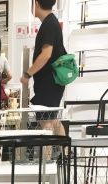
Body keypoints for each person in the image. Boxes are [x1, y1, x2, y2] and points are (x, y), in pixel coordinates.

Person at [21, 0, 67, 135]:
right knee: (53, 121)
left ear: (36, 3)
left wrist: (27, 74)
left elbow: (46, 54)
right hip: (50, 82)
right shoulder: (50, 22)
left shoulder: (49, 24)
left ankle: (49, 150)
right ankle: (64, 148)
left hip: (49, 82)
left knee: (46, 121)